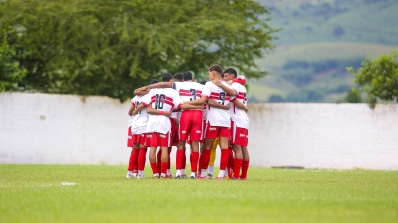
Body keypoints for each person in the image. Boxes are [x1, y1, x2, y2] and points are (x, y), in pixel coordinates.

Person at [133, 73, 201, 178]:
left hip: (151, 123)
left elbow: (144, 105)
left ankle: (156, 173)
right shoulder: (172, 91)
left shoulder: (153, 91)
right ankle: (164, 173)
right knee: (165, 148)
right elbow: (181, 105)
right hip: (164, 122)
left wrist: (135, 112)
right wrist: (197, 106)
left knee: (153, 148)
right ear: (170, 82)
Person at [184, 64, 234, 180]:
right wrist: (224, 105)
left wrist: (186, 104)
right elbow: (233, 94)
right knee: (224, 147)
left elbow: (207, 101)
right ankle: (221, 175)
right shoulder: (227, 85)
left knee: (207, 147)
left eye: (209, 74)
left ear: (212, 74)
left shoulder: (209, 84)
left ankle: (202, 173)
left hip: (213, 120)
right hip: (225, 120)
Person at [126, 79, 159, 179]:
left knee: (135, 150)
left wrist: (135, 114)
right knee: (142, 150)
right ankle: (140, 173)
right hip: (143, 126)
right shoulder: (150, 97)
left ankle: (129, 173)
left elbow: (130, 112)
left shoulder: (136, 97)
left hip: (134, 125)